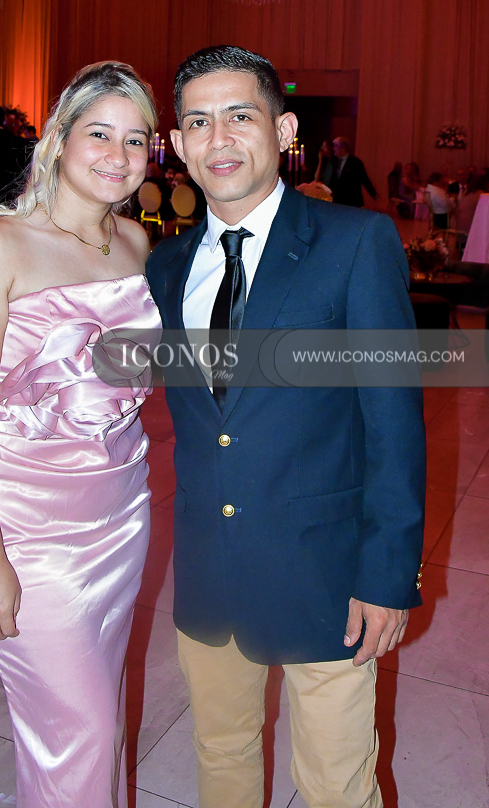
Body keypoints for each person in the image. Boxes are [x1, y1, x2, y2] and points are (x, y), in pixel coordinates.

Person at [145, 45, 426, 808]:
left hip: (326, 572)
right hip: (209, 570)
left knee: (337, 781)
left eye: (240, 115)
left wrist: (388, 574)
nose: (219, 139)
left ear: (284, 129)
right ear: (178, 144)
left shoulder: (355, 243)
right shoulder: (166, 266)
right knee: (222, 752)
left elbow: (394, 426)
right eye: (197, 122)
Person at [0, 61, 161, 807]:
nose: (119, 155)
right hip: (30, 535)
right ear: (60, 138)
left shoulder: (135, 245)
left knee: (100, 722)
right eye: (100, 133)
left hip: (121, 518)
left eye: (136, 139)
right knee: (80, 733)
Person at [330, 136, 378, 207]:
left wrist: (373, 193)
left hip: (352, 201)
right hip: (337, 200)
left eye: (336, 146)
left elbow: (364, 178)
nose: (333, 148)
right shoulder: (334, 162)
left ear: (343, 148)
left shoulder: (355, 162)